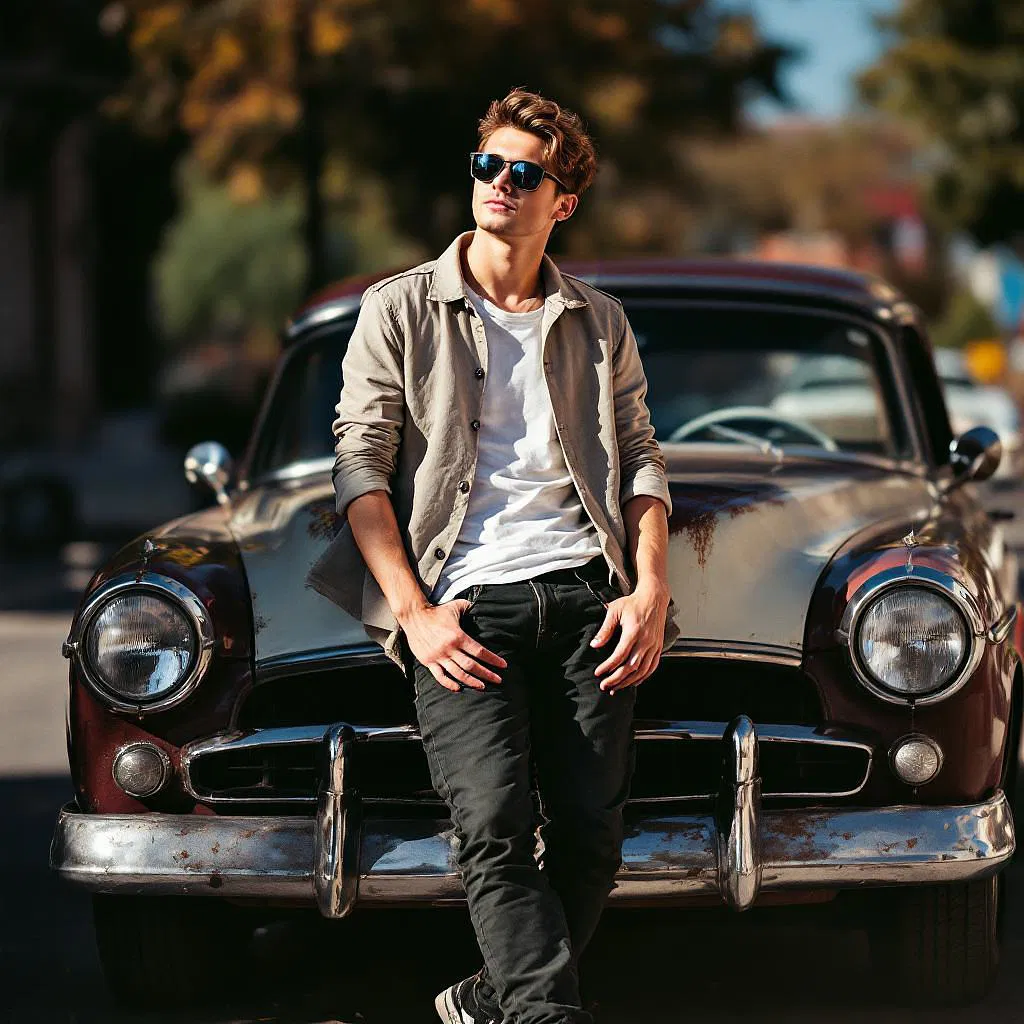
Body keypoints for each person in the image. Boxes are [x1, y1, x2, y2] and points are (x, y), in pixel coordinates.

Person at [307, 87, 679, 1024]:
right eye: (488, 166)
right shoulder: (398, 310)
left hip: (589, 597)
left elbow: (640, 455)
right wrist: (413, 614)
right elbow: (360, 464)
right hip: (464, 605)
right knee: (494, 827)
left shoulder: (600, 321)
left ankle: (494, 995)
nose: (500, 186)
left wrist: (650, 593)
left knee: (593, 837)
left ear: (563, 202)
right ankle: (545, 1014)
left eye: (525, 174)